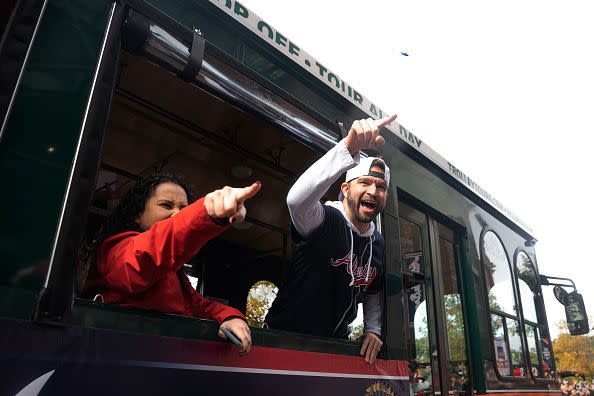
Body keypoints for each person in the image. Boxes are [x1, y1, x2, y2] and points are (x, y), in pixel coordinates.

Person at [265, 115, 397, 364]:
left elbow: (374, 290)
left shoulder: (377, 242)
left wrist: (373, 329)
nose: (373, 191)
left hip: (335, 346)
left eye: (381, 187)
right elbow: (296, 201)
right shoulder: (326, 220)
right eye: (365, 183)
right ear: (346, 189)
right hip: (284, 343)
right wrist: (348, 148)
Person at [84, 173, 260, 355]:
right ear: (137, 214)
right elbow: (145, 256)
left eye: (184, 209)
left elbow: (197, 306)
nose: (178, 214)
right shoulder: (116, 249)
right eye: (166, 205)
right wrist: (206, 211)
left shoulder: (173, 273)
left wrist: (230, 317)